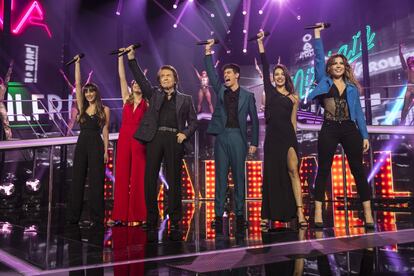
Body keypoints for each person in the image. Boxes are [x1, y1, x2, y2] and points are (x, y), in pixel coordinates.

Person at [126, 45, 197, 240]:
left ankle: (174, 219)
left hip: (175, 138)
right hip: (155, 138)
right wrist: (132, 59)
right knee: (150, 178)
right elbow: (141, 79)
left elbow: (194, 121)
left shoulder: (186, 99)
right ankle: (151, 218)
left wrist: (185, 133)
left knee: (174, 180)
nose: (165, 78)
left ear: (175, 79)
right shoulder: (154, 94)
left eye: (168, 75)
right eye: (162, 76)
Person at [308, 24, 374, 228]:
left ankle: (368, 214)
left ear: (345, 67)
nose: (337, 66)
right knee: (324, 170)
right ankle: (318, 211)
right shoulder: (323, 82)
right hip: (329, 128)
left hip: (349, 129)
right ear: (329, 68)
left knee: (358, 171)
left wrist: (364, 136)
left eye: (341, 64)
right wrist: (316, 34)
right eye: (334, 63)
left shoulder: (353, 88)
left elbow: (360, 115)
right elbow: (319, 58)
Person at [204, 39, 259, 235]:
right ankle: (218, 216)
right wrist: (208, 53)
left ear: (237, 75)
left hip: (238, 137)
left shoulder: (248, 95)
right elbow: (211, 74)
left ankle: (240, 215)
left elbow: (255, 120)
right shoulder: (221, 90)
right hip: (222, 136)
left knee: (239, 177)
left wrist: (253, 143)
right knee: (220, 177)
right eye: (224, 73)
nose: (225, 75)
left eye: (229, 73)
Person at [255, 31, 305, 231]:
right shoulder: (269, 91)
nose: (278, 76)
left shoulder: (294, 97)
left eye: (281, 74)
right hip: (272, 138)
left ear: (286, 76)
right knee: (271, 176)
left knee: (293, 171)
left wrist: (295, 141)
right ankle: (266, 215)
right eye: (276, 74)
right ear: (272, 78)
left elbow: (293, 122)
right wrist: (260, 43)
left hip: (289, 137)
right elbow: (265, 64)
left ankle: (300, 211)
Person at [66, 55, 110, 226]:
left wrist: (106, 151)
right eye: (87, 92)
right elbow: (77, 84)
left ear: (96, 93)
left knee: (97, 181)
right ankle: (73, 217)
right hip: (82, 142)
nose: (89, 94)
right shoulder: (82, 106)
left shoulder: (104, 109)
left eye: (92, 91)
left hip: (97, 144)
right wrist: (77, 64)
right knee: (77, 179)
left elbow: (105, 131)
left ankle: (97, 219)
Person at [107, 50, 148, 227]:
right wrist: (119, 59)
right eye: (135, 83)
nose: (136, 84)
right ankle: (119, 216)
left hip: (140, 140)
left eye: (140, 83)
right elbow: (122, 77)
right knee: (122, 175)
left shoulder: (148, 102)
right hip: (124, 139)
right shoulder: (126, 99)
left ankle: (138, 215)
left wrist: (141, 75)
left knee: (139, 176)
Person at [59, 68, 93, 135]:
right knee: (72, 120)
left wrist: (90, 75)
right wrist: (63, 74)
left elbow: (87, 82)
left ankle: (87, 132)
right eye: (75, 83)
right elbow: (67, 82)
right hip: (75, 106)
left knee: (85, 119)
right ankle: (68, 133)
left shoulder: (82, 89)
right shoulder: (73, 89)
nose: (76, 83)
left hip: (81, 106)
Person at [398, 42, 414, 125]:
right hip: (410, 89)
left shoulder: (409, 69)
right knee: (405, 107)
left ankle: (402, 122)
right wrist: (400, 50)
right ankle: (402, 122)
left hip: (411, 88)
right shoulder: (407, 70)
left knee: (406, 107)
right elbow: (402, 61)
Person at [0, 61, 13, 141]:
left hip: (1, 105)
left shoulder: (3, 86)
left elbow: (7, 77)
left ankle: (9, 138)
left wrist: (10, 68)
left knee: (5, 121)